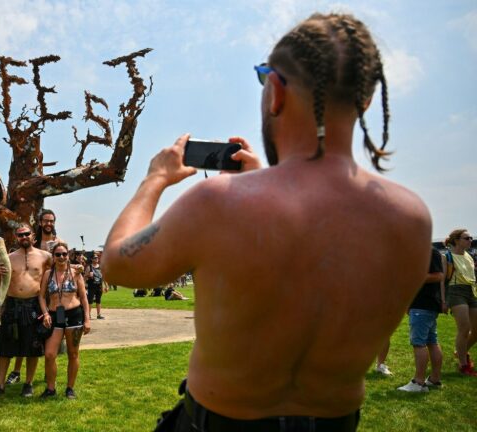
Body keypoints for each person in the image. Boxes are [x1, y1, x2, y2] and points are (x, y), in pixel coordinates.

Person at [101, 12, 432, 431]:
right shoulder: (410, 219)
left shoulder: (217, 203)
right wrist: (259, 182)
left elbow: (116, 262)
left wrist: (154, 180)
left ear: (274, 90)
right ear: (365, 100)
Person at [0, 224, 52, 398]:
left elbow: (58, 273)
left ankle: (28, 384)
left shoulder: (45, 256)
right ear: (16, 237)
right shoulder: (7, 258)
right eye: (20, 235)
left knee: (33, 347)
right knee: (4, 348)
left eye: (26, 234)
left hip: (34, 306)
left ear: (33, 236)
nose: (24, 237)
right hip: (13, 305)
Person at [38, 242, 91, 399]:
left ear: (68, 255)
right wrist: (46, 313)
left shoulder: (75, 273)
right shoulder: (48, 274)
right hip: (55, 315)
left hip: (74, 315)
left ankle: (70, 388)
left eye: (64, 254)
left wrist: (87, 318)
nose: (61, 257)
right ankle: (50, 388)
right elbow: (41, 296)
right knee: (49, 354)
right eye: (58, 254)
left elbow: (83, 297)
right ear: (53, 257)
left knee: (73, 354)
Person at [397, 247, 446, 392]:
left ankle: (418, 383)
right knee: (432, 341)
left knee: (419, 343)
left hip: (423, 304)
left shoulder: (429, 251)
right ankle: (434, 379)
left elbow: (438, 275)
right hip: (424, 305)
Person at [443, 228, 477, 376]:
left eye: (470, 238)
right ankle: (463, 365)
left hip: (472, 291)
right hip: (456, 291)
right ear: (457, 240)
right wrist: (443, 300)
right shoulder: (447, 256)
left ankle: (461, 352)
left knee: (476, 331)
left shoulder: (469, 256)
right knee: (464, 328)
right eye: (467, 238)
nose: (470, 240)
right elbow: (442, 280)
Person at [85, 254, 106, 319]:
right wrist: (88, 275)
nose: (96, 259)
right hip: (91, 286)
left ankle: (99, 315)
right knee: (90, 300)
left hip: (99, 286)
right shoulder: (89, 267)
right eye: (94, 258)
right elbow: (84, 276)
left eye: (97, 257)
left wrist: (106, 285)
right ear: (92, 259)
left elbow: (103, 277)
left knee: (98, 300)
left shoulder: (101, 267)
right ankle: (88, 315)